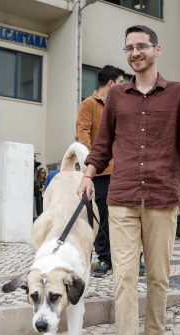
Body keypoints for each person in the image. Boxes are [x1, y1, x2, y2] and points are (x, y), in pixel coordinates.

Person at [78, 25, 180, 335]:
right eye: (129, 48)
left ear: (157, 49)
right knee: (123, 278)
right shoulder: (116, 97)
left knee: (159, 277)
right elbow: (101, 146)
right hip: (122, 196)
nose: (135, 52)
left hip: (164, 196)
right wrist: (88, 174)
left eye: (142, 46)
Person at [76, 65, 125, 278]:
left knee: (125, 215)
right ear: (112, 83)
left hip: (123, 170)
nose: (123, 86)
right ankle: (104, 259)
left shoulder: (121, 105)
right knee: (101, 216)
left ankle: (129, 258)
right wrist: (89, 160)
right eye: (121, 82)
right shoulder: (89, 104)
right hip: (101, 170)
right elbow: (82, 131)